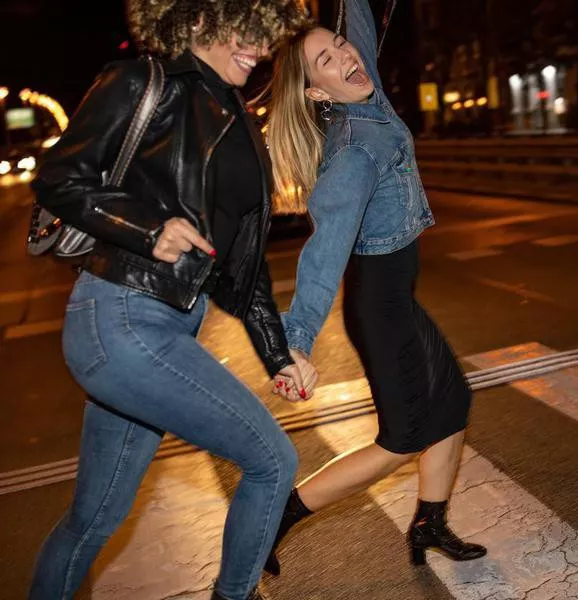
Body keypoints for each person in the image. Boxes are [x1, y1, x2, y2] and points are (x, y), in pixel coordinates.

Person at [27, 1, 314, 599]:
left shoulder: (236, 114)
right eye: (244, 31)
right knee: (272, 462)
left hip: (165, 329)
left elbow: (244, 265)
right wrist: (147, 229)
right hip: (121, 316)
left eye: (264, 37)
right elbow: (60, 177)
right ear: (199, 19)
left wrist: (279, 353)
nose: (257, 49)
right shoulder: (143, 82)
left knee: (94, 518)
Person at [264, 0, 487, 574]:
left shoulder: (370, 99)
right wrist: (298, 340)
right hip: (379, 306)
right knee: (403, 438)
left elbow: (356, 17)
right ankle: (270, 520)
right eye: (327, 61)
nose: (346, 58)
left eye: (342, 49)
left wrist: (344, 29)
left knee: (453, 401)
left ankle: (428, 525)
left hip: (395, 298)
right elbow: (324, 250)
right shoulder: (355, 150)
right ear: (317, 92)